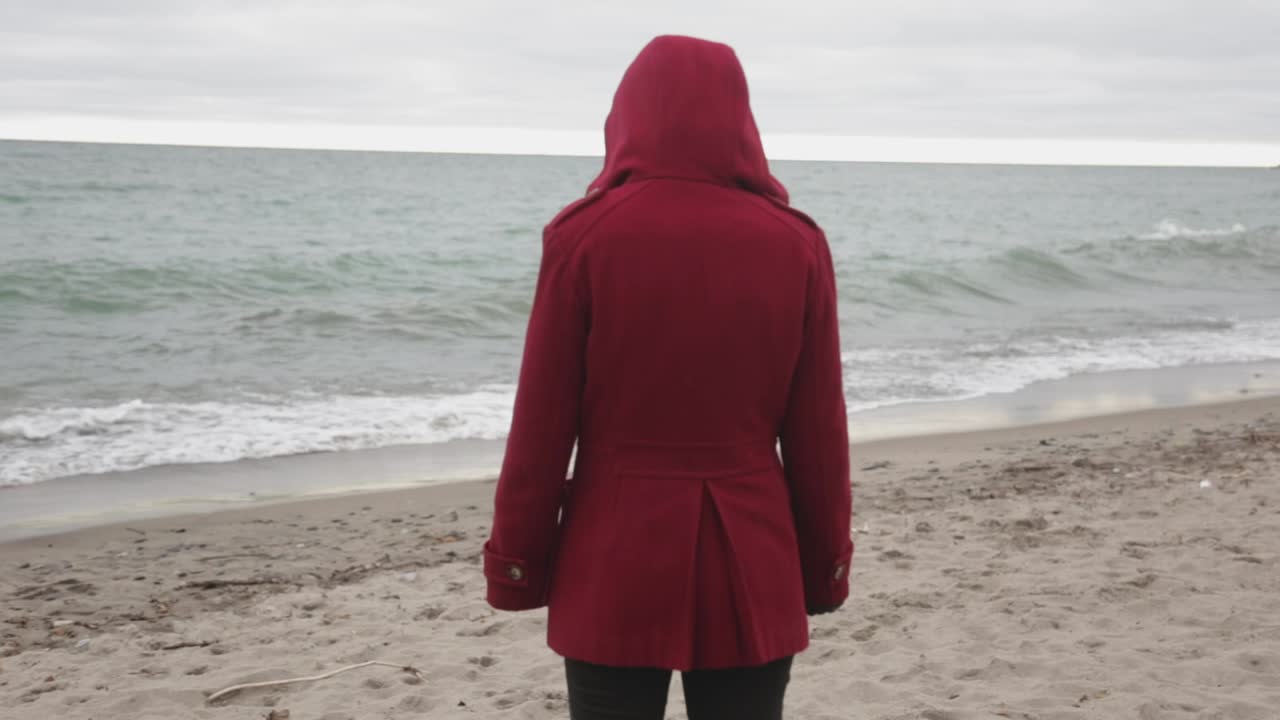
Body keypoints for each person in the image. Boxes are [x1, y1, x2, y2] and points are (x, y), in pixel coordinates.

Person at [483, 34, 853, 720]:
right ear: (741, 121)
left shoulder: (582, 237)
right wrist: (825, 567)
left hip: (610, 557)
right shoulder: (798, 244)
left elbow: (539, 427)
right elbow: (819, 436)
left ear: (628, 117)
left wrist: (517, 563)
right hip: (754, 556)